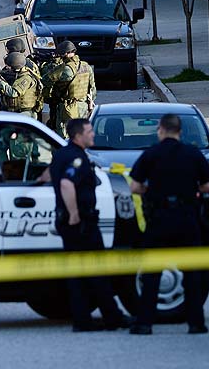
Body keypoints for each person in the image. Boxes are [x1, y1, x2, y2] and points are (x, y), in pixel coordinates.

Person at [127, 114, 209, 335]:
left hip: (159, 219)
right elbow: (207, 187)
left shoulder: (151, 154)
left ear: (161, 130)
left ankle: (144, 323)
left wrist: (152, 192)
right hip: (187, 218)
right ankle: (196, 324)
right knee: (192, 274)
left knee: (152, 274)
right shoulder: (192, 153)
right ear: (180, 131)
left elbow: (135, 187)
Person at [50, 118, 131, 332]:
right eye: (89, 131)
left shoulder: (61, 154)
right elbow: (67, 184)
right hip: (82, 224)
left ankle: (84, 320)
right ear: (78, 135)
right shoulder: (76, 158)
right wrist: (74, 213)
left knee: (78, 275)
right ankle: (111, 317)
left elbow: (49, 174)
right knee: (97, 272)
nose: (93, 134)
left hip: (69, 225)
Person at [43, 41, 96, 138]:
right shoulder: (86, 66)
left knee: (64, 135)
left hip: (68, 108)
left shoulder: (65, 69)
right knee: (82, 134)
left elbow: (46, 81)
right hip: (84, 106)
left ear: (65, 54)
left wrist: (49, 67)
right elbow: (92, 89)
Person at [5, 38, 44, 121]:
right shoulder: (30, 64)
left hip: (23, 106)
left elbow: (13, 90)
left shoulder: (18, 65)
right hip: (31, 105)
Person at [0, 52, 41, 119]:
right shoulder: (19, 75)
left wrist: (1, 82)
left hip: (26, 113)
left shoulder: (26, 78)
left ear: (15, 67)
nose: (7, 68)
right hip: (19, 113)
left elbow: (13, 93)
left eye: (9, 66)